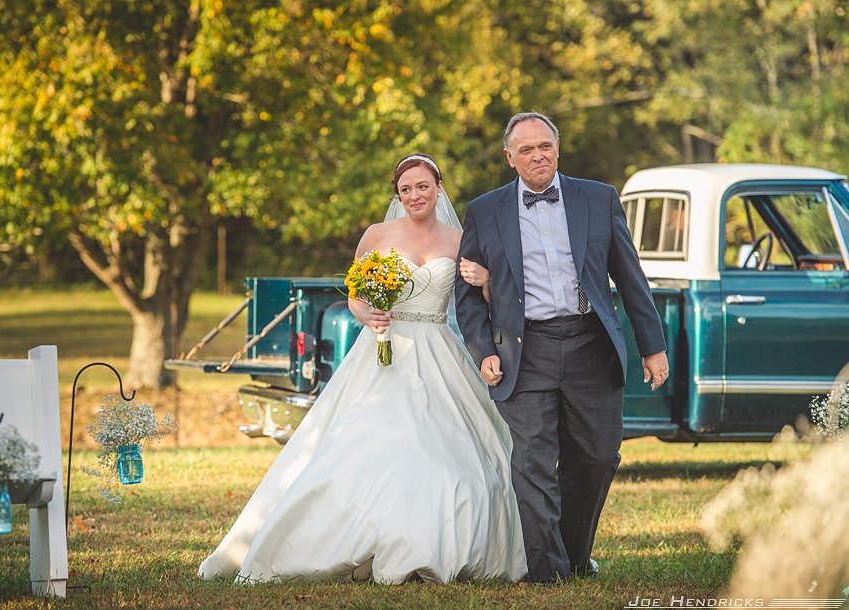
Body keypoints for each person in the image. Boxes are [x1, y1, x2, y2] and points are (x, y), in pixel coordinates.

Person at [198, 153, 527, 585]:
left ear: (439, 188)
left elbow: (475, 303)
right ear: (397, 194)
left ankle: (432, 546)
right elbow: (355, 293)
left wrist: (485, 282)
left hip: (440, 352)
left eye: (423, 186)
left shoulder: (460, 239)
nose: (415, 195)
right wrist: (367, 316)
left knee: (451, 458)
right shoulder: (378, 235)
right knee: (372, 448)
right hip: (382, 352)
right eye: (406, 189)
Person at [455, 112, 669, 583]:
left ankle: (573, 556)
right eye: (526, 149)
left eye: (545, 146)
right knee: (532, 461)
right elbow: (467, 294)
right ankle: (547, 572)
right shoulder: (484, 210)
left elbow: (630, 277)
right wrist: (482, 350)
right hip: (524, 349)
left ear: (558, 148)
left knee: (596, 457)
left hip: (591, 342)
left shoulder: (598, 198)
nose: (538, 155)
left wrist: (652, 345)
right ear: (510, 157)